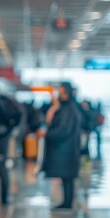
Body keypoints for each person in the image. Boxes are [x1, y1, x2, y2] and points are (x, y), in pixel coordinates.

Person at [40, 82, 82, 210]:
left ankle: (67, 203)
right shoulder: (69, 107)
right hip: (68, 149)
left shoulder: (67, 110)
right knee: (67, 178)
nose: (58, 95)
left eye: (60, 92)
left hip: (65, 149)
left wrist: (47, 134)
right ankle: (66, 202)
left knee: (67, 178)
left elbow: (63, 130)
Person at [0, 84, 21, 204]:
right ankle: (3, 196)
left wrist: (3, 132)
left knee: (0, 166)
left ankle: (3, 196)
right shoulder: (4, 101)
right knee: (1, 166)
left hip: (0, 138)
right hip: (4, 136)